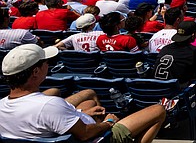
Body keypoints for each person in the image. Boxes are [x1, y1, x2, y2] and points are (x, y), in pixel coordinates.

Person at [0, 44, 167, 143]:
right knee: (158, 110)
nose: (48, 65)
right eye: (45, 62)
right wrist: (108, 122)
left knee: (88, 103)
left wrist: (81, 113)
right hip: (97, 138)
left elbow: (40, 123)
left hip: (63, 133)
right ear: (35, 72)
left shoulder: (2, 106)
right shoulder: (49, 105)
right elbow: (85, 133)